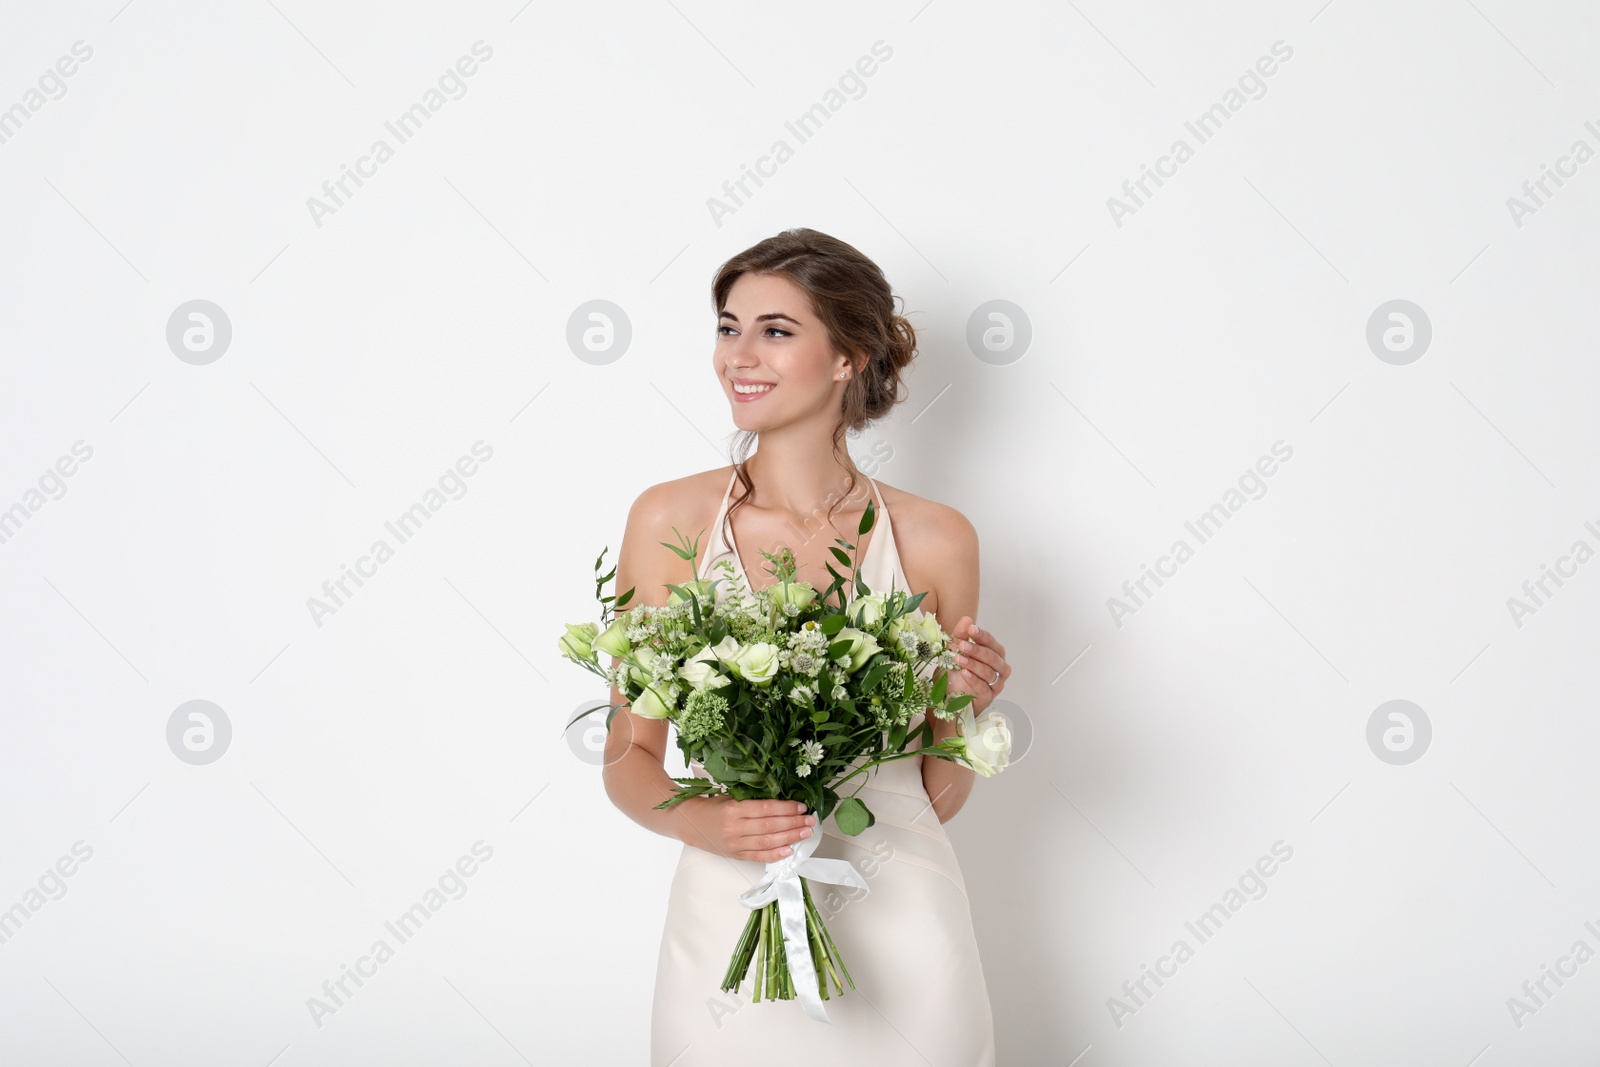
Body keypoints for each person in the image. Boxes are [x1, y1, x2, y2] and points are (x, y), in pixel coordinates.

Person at [600, 227, 1011, 1065]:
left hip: (904, 905)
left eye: (775, 330)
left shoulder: (938, 538)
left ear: (847, 358)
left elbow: (938, 791)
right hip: (729, 904)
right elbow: (628, 758)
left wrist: (964, 708)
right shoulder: (666, 520)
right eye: (727, 326)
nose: (738, 355)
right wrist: (714, 822)